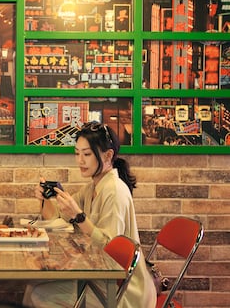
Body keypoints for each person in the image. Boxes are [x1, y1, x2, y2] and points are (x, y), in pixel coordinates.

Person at [22, 122, 156, 308]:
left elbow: (110, 252)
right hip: (100, 279)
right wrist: (45, 198)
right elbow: (56, 218)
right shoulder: (92, 188)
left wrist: (79, 217)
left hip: (123, 289)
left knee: (40, 295)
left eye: (87, 154)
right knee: (33, 287)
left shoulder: (115, 191)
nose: (80, 160)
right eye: (77, 153)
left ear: (108, 155)